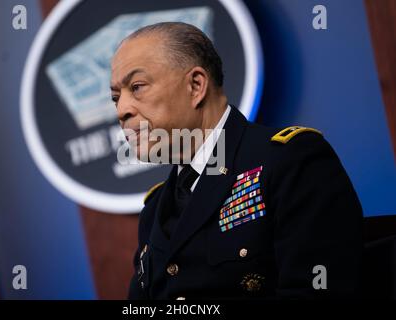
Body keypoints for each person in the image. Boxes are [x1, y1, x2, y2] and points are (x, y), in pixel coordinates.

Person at [110, 22, 363, 300]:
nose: (122, 110)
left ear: (196, 86)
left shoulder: (289, 160)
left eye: (137, 87)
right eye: (115, 98)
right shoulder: (156, 207)